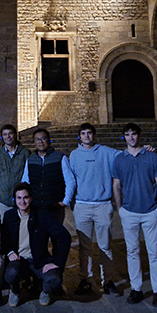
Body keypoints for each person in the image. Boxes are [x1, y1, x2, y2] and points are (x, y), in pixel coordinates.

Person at [112, 123, 157, 307]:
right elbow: (116, 185)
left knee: (154, 252)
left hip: (150, 211)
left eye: (133, 134)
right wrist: (120, 209)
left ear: (139, 135)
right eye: (127, 135)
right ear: (124, 137)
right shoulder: (120, 159)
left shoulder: (151, 157)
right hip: (129, 211)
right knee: (132, 251)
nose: (131, 138)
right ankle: (136, 288)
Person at [67, 122, 120, 296]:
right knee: (84, 246)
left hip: (102, 204)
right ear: (79, 136)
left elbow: (126, 156)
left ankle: (108, 281)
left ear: (94, 135)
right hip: (82, 205)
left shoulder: (106, 152)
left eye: (89, 133)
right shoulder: (74, 155)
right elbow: (71, 180)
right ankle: (86, 279)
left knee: (105, 245)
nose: (87, 136)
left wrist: (146, 150)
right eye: (83, 133)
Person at [1, 182, 71, 307]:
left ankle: (45, 290)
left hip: (39, 261)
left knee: (55, 278)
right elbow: (3, 239)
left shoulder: (41, 215)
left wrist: (57, 262)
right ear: (15, 199)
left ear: (31, 198)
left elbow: (64, 236)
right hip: (19, 260)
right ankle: (15, 291)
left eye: (26, 197)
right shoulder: (9, 216)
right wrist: (10, 251)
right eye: (19, 198)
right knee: (11, 273)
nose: (22, 201)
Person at [20, 128, 75, 224]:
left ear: (49, 140)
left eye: (43, 138)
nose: (40, 142)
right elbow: (25, 181)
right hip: (36, 205)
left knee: (56, 235)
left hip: (55, 205)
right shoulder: (31, 159)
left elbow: (70, 180)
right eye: (37, 139)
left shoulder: (60, 157)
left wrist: (65, 201)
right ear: (34, 142)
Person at [0, 123, 30, 219]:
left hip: (21, 199)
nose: (8, 136)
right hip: (3, 199)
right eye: (5, 134)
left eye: (10, 133)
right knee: (5, 228)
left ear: (15, 135)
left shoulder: (25, 153)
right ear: (2, 137)